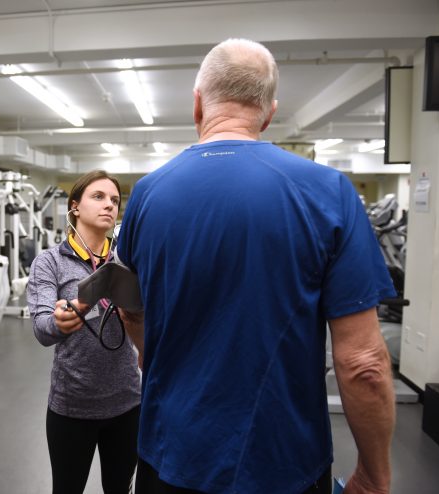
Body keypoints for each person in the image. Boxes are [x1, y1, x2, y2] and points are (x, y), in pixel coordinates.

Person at [117, 38, 396, 494]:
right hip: (283, 463)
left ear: (197, 104)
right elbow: (363, 363)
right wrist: (374, 476)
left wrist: (170, 367)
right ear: (268, 112)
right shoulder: (329, 191)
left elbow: (131, 310)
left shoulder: (148, 194)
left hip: (171, 455)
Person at [27, 170, 141, 494]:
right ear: (74, 206)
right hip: (71, 405)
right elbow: (42, 327)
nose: (110, 205)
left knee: (120, 488)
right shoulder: (50, 262)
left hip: (126, 402)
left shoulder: (128, 259)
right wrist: (58, 322)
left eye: (115, 200)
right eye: (98, 197)